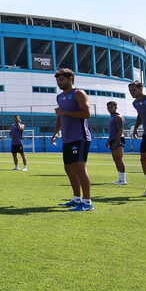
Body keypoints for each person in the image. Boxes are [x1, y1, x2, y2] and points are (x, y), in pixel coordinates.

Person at [51, 68, 93, 211]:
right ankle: (77, 198)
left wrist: (64, 112)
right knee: (68, 168)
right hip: (67, 139)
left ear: (71, 79)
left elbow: (87, 114)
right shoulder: (60, 97)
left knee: (80, 168)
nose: (59, 82)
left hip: (80, 137)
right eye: (57, 80)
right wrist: (56, 132)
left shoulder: (79, 94)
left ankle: (87, 203)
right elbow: (60, 117)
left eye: (61, 79)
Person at [105, 101, 127, 185]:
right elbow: (112, 131)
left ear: (116, 107)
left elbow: (120, 130)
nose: (109, 109)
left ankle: (123, 180)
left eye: (111, 107)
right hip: (112, 140)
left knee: (119, 159)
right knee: (115, 160)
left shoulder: (118, 117)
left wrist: (116, 141)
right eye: (108, 107)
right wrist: (109, 141)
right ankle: (120, 178)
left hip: (118, 140)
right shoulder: (111, 117)